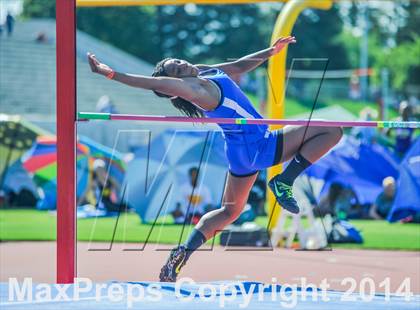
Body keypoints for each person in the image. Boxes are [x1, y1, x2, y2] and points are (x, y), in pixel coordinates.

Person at [87, 35, 343, 282]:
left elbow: (238, 66)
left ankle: (183, 252)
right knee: (332, 130)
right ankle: (283, 181)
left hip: (241, 151)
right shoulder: (191, 88)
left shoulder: (201, 72)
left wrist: (270, 52)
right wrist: (109, 73)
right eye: (176, 69)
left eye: (178, 61)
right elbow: (152, 83)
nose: (182, 64)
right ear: (174, 84)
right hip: (256, 144)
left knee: (230, 211)